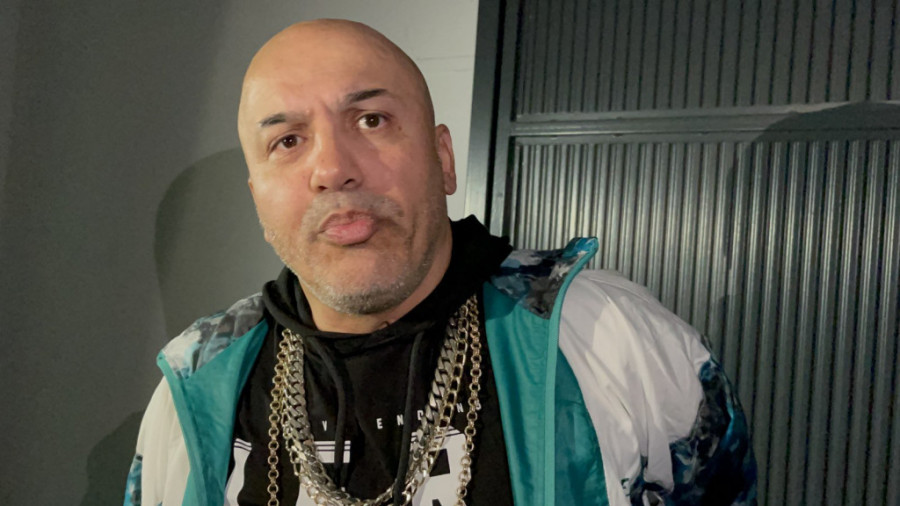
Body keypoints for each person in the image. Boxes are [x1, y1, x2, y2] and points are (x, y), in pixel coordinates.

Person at [125, 19, 756, 506]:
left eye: (371, 120)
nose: (332, 168)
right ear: (257, 196)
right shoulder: (195, 390)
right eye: (287, 141)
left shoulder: (612, 342)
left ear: (443, 159)